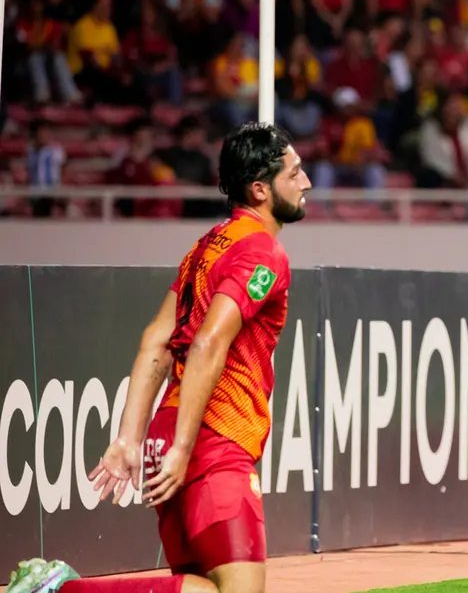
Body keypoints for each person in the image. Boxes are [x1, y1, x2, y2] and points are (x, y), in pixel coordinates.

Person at [4, 123, 312, 593]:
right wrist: (186, 450)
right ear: (260, 189)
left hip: (167, 436)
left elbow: (155, 339)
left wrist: (130, 439)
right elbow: (209, 342)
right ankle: (62, 590)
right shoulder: (263, 252)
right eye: (295, 172)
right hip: (213, 439)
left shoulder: (206, 247)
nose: (306, 182)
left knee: (199, 587)